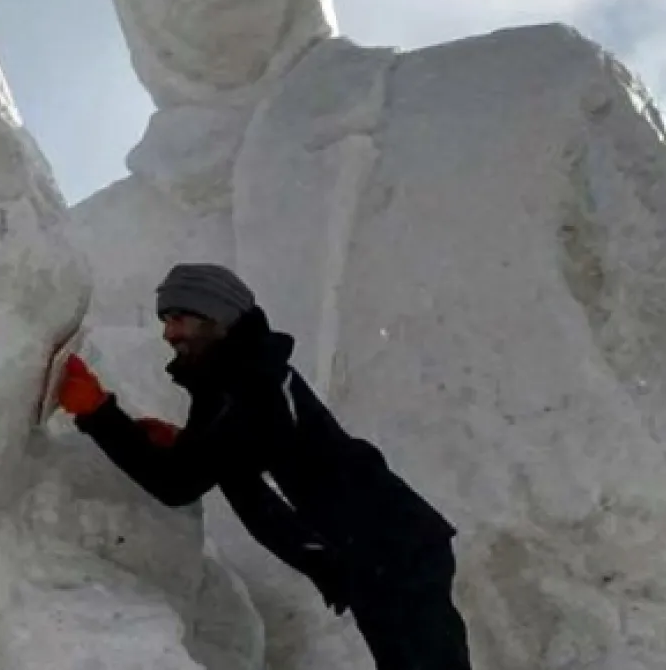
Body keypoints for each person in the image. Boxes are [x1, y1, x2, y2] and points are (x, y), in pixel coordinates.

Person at [59, 262, 473, 669]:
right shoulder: (235, 377)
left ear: (217, 315)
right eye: (165, 320)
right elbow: (229, 452)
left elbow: (177, 481)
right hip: (378, 554)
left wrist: (98, 413)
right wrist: (183, 442)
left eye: (180, 317)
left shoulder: (250, 386)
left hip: (391, 552)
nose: (169, 333)